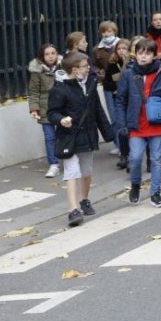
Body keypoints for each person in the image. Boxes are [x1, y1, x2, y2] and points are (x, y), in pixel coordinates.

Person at [47, 52, 114, 226]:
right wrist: (61, 120)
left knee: (86, 171)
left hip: (88, 134)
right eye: (85, 66)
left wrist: (109, 134)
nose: (88, 68)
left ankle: (84, 200)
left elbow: (97, 109)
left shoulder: (90, 84)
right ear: (75, 70)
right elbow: (52, 112)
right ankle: (73, 209)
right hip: (69, 136)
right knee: (71, 172)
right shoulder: (60, 89)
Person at [115, 39, 161, 208]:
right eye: (140, 53)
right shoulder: (128, 74)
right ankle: (135, 185)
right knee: (134, 158)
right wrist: (122, 124)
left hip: (157, 124)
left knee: (156, 160)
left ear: (154, 55)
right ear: (136, 54)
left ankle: (155, 194)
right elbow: (120, 100)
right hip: (136, 124)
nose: (143, 57)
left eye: (147, 53)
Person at [27, 43, 63, 178]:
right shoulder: (37, 71)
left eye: (53, 53)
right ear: (42, 56)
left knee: (63, 134)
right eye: (47, 54)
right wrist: (34, 109)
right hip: (45, 107)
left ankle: (67, 156)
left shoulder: (62, 66)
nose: (50, 56)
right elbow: (34, 91)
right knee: (49, 137)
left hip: (61, 106)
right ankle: (53, 164)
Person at [103, 38, 133, 170]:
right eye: (119, 49)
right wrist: (115, 85)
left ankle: (129, 149)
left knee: (128, 123)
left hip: (129, 97)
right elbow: (107, 81)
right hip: (116, 95)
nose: (121, 51)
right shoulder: (112, 63)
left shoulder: (132, 62)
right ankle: (122, 149)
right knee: (117, 122)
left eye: (124, 49)